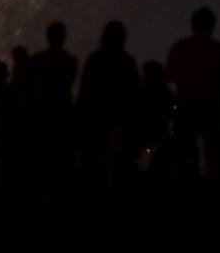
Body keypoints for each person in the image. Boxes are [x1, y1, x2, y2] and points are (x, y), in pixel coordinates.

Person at [165, 7, 220, 181]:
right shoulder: (219, 50)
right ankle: (215, 198)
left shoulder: (181, 47)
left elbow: (169, 75)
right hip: (212, 109)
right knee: (215, 158)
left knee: (186, 158)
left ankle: (188, 196)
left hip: (186, 109)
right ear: (212, 25)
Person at [77, 20, 140, 188]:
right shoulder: (127, 62)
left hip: (97, 118)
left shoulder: (95, 59)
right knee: (115, 165)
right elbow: (134, 94)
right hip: (118, 120)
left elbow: (85, 89)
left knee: (96, 161)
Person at [26, 21, 79, 186]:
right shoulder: (70, 61)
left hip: (39, 114)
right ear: (63, 37)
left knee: (39, 161)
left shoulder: (35, 60)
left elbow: (29, 87)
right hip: (61, 115)